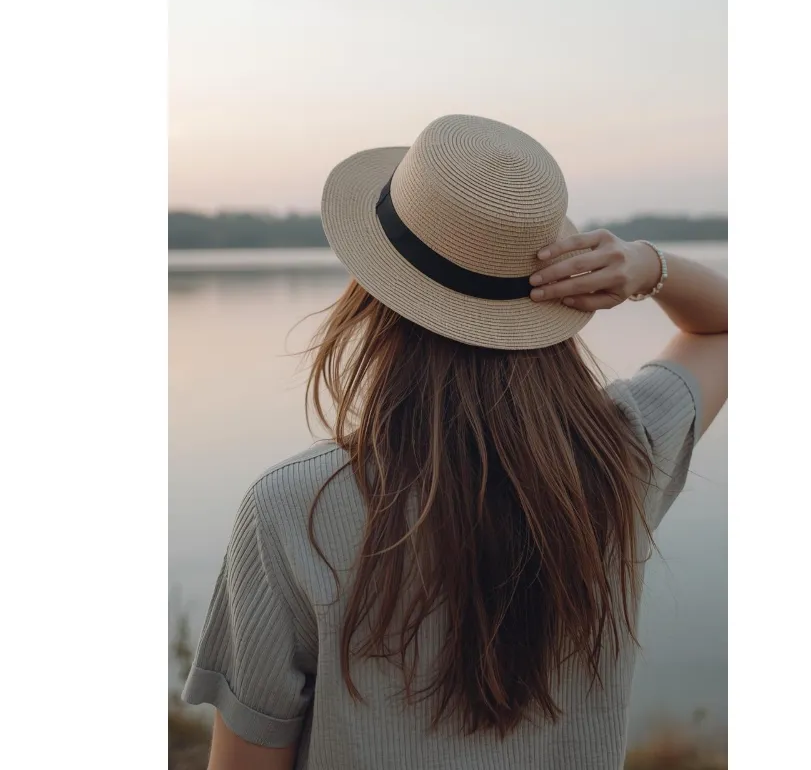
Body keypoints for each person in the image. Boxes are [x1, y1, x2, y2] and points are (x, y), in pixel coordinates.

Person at [181, 114, 728, 770]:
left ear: (375, 299)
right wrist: (649, 267)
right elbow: (726, 330)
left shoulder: (292, 508)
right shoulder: (622, 454)